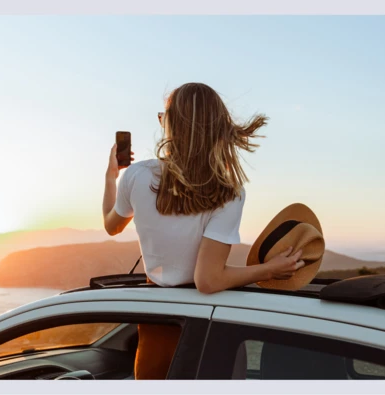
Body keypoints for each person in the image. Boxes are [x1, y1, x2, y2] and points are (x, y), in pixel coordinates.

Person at [102, 82, 305, 380]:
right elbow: (209, 280)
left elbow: (111, 225)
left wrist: (111, 177)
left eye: (164, 116)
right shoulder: (228, 192)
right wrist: (269, 269)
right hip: (212, 322)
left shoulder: (136, 176)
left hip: (157, 322)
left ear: (173, 125)